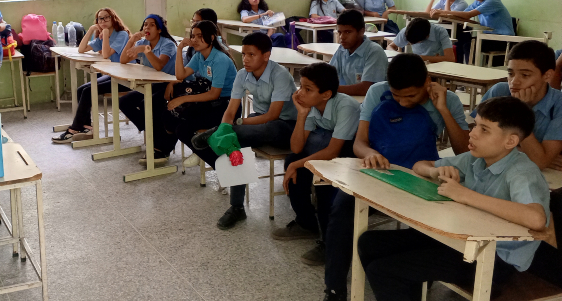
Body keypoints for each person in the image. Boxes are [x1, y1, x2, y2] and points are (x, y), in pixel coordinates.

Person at [359, 97, 549, 301]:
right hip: (461, 239)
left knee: (384, 270)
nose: (473, 133)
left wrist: (466, 195)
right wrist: (435, 171)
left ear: (510, 141)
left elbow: (536, 219)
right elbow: (419, 165)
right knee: (369, 242)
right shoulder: (475, 158)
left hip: (495, 259)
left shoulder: (522, 171)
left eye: (484, 130)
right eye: (475, 125)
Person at [321, 53, 470, 301]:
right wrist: (370, 154)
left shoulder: (447, 100)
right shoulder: (376, 92)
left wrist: (442, 108)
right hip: (379, 172)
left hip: (423, 174)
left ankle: (415, 278)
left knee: (431, 225)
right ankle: (334, 288)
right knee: (341, 212)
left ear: (427, 82)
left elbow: (464, 151)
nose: (401, 103)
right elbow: (359, 143)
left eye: (410, 96)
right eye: (397, 95)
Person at [190, 31, 296, 228]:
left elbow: (273, 115)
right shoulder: (242, 74)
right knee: (235, 143)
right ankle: (237, 207)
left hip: (287, 126)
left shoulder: (280, 75)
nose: (245, 59)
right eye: (244, 54)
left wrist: (236, 125)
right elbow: (231, 110)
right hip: (259, 123)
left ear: (266, 55)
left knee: (241, 131)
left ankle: (214, 134)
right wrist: (225, 126)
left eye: (251, 55)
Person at [271, 63, 359, 267]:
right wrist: (301, 114)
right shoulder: (311, 106)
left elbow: (333, 151)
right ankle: (306, 222)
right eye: (300, 86)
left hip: (350, 152)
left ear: (326, 94)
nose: (300, 93)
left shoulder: (346, 106)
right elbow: (296, 147)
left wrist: (298, 164)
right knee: (293, 161)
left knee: (322, 181)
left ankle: (331, 243)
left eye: (307, 89)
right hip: (327, 146)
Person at [151, 20, 237, 164]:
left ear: (211, 38)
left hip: (226, 106)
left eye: (199, 36)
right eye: (193, 36)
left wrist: (183, 99)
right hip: (210, 102)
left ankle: (218, 163)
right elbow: (180, 75)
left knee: (183, 129)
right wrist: (179, 49)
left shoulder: (220, 59)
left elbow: (214, 94)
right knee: (168, 116)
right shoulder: (199, 56)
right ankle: (200, 148)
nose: (194, 40)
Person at [470, 40, 562, 169]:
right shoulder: (499, 91)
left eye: (525, 75)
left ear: (547, 75)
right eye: (510, 74)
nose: (514, 82)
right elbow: (475, 141)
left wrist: (519, 112)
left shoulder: (559, 105)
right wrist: (531, 154)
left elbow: (540, 163)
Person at [52, 8, 132, 143]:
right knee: (81, 89)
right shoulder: (101, 36)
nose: (104, 21)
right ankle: (86, 126)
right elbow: (81, 49)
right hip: (113, 75)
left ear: (113, 19)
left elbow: (106, 54)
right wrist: (91, 30)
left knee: (89, 90)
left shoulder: (121, 34)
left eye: (107, 17)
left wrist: (105, 33)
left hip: (125, 77)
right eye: (100, 19)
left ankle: (74, 128)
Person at [431, 0, 515, 65]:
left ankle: (471, 71)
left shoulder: (492, 1)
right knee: (463, 42)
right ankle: (458, 69)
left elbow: (468, 15)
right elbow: (462, 14)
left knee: (470, 45)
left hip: (503, 39)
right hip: (489, 37)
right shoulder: (477, 2)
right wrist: (444, 13)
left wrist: (443, 12)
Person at [118, 14, 177, 138]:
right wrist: (131, 40)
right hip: (150, 83)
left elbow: (159, 65)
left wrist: (146, 50)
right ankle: (152, 130)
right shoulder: (142, 42)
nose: (147, 28)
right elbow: (123, 60)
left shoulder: (168, 44)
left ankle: (158, 136)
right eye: (145, 25)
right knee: (124, 101)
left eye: (152, 25)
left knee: (148, 103)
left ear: (160, 29)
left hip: (168, 84)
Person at [329, 10, 388, 96]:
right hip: (349, 98)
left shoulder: (374, 52)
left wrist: (330, 89)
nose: (342, 37)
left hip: (369, 103)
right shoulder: (342, 49)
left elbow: (366, 88)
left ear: (361, 31)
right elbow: (329, 74)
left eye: (348, 32)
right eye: (340, 32)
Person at [387, 17, 455, 63]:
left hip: (438, 67)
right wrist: (399, 56)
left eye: (415, 43)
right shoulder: (408, 30)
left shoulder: (440, 31)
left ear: (427, 36)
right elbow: (390, 47)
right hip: (418, 67)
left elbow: (450, 58)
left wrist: (422, 58)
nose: (411, 44)